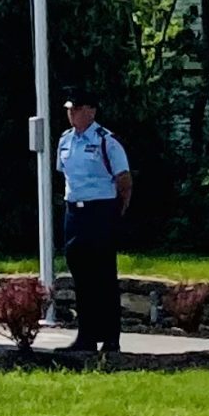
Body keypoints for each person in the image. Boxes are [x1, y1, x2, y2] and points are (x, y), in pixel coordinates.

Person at [56, 86, 133, 354]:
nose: (71, 114)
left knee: (103, 276)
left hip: (100, 211)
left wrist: (115, 214)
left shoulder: (106, 141)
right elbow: (65, 175)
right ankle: (86, 336)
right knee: (81, 276)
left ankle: (111, 338)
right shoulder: (65, 140)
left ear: (90, 111)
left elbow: (124, 182)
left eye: (76, 109)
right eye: (69, 109)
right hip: (74, 212)